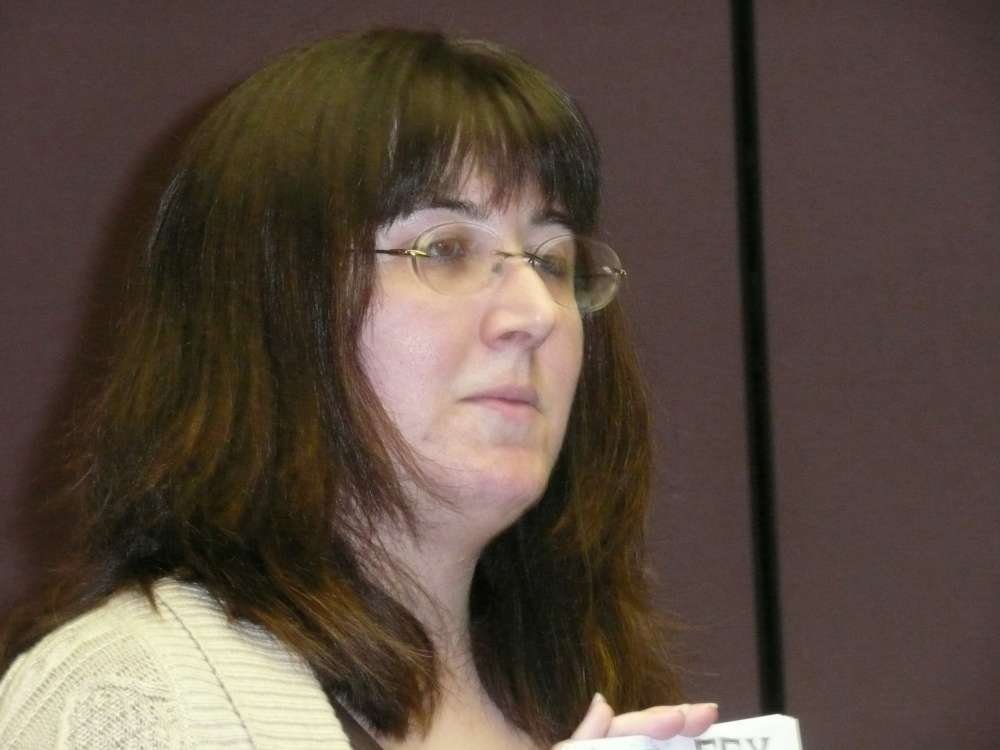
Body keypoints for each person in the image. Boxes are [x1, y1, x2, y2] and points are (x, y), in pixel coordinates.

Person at [0, 28, 717, 749]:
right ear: (270, 305)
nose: (536, 314)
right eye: (446, 250)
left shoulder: (600, 692)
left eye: (552, 262)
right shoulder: (130, 698)